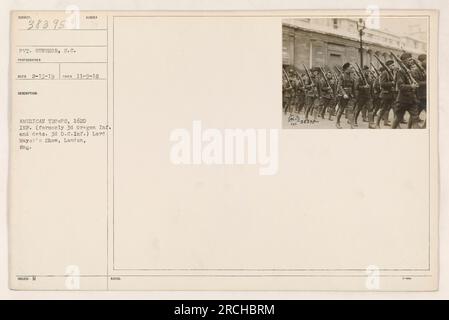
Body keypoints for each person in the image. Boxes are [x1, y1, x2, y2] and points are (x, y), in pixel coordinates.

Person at [392, 52, 420, 129]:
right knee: (398, 119)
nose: (411, 61)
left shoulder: (411, 71)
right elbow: (400, 86)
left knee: (415, 118)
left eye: (411, 60)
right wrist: (411, 86)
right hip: (403, 100)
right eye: (409, 60)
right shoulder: (400, 72)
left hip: (412, 99)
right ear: (403, 61)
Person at [376, 60, 395, 128]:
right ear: (389, 66)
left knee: (394, 108)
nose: (394, 66)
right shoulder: (385, 73)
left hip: (391, 94)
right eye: (392, 65)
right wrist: (391, 83)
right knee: (383, 109)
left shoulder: (392, 72)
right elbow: (382, 84)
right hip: (386, 94)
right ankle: (377, 124)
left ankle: (388, 122)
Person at [335, 62, 355, 129]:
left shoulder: (352, 75)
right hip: (343, 95)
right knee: (341, 109)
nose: (352, 68)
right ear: (347, 68)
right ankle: (337, 122)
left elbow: (353, 86)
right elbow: (340, 86)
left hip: (350, 94)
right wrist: (344, 94)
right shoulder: (342, 75)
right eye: (351, 67)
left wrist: (354, 94)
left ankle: (352, 125)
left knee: (351, 109)